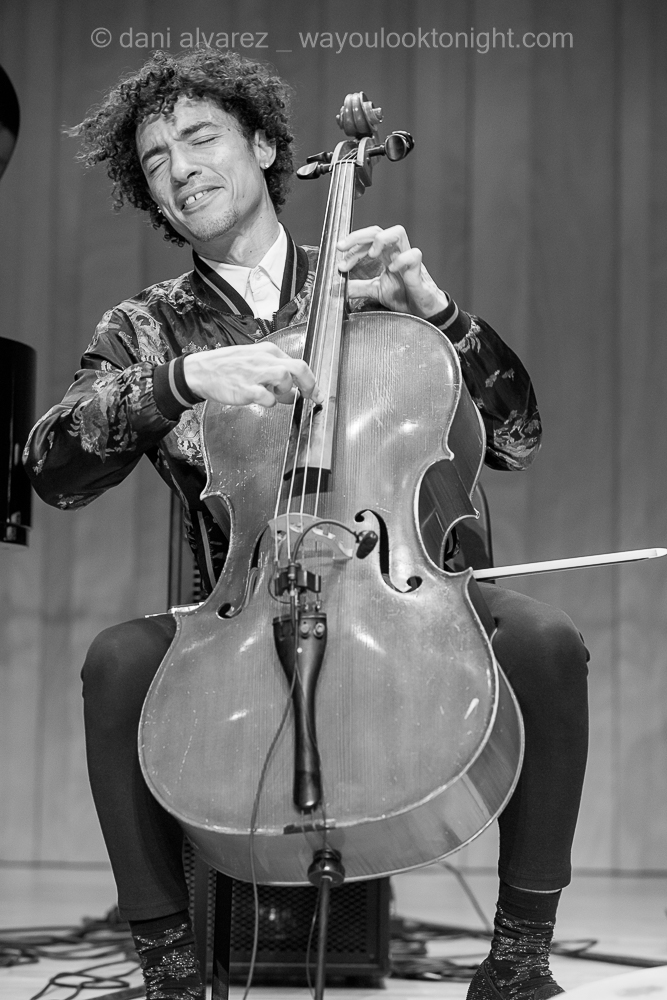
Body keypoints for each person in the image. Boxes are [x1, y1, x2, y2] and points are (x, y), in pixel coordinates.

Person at [24, 49, 589, 1000]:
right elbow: (52, 470)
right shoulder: (149, 328)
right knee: (116, 663)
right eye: (156, 159)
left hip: (394, 588)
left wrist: (438, 314)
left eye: (200, 138)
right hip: (244, 609)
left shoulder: (363, 285)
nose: (181, 168)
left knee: (545, 642)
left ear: (263, 146)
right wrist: (181, 381)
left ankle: (518, 963)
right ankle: (169, 973)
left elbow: (517, 439)